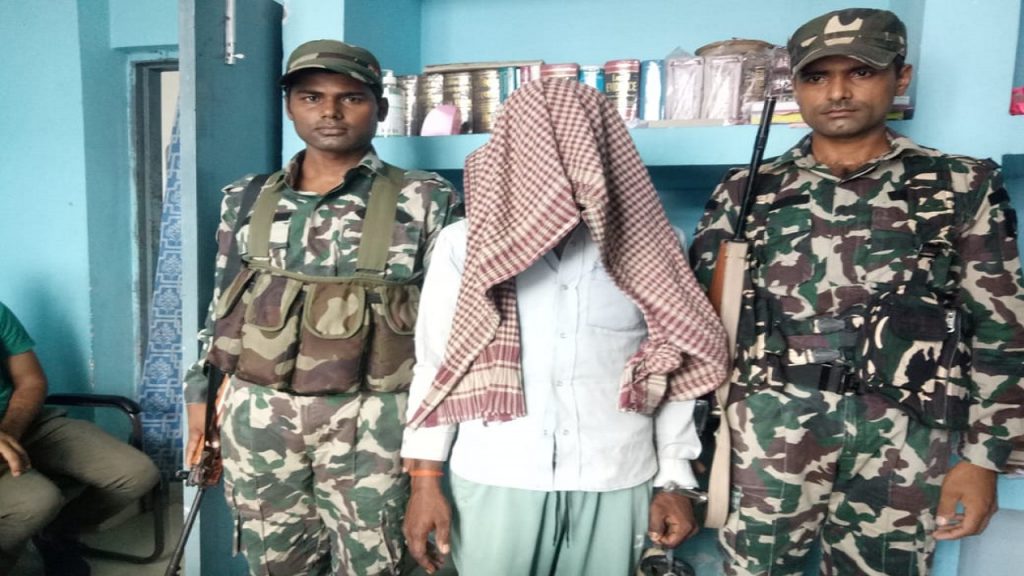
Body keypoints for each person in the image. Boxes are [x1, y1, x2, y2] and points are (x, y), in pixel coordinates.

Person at [690, 8, 1024, 576]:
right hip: (768, 431)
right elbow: (700, 324)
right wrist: (687, 458)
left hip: (905, 434)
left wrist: (985, 459)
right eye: (817, 76)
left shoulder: (959, 183)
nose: (838, 92)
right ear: (796, 86)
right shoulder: (747, 191)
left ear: (901, 76)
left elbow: (1000, 325)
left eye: (861, 72)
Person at [401, 78, 730, 575]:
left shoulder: (654, 243)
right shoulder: (463, 244)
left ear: (603, 152)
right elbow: (438, 365)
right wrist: (425, 481)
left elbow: (673, 367)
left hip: (616, 475)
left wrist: (674, 480)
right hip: (497, 472)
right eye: (542, 148)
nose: (559, 165)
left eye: (573, 147)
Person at [181, 39, 459, 575]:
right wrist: (201, 395)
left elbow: (451, 329)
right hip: (259, 412)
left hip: (375, 419)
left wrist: (434, 454)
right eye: (311, 97)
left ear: (379, 107)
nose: (330, 112)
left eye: (351, 97)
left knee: (376, 561)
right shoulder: (246, 197)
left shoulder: (427, 199)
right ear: (290, 106)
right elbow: (223, 304)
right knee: (274, 562)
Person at [0, 301, 160, 576]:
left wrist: (11, 432)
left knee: (137, 473)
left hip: (24, 422)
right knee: (38, 500)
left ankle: (54, 534)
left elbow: (31, 381)